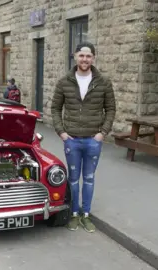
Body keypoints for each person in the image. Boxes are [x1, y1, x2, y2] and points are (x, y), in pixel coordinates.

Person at [51, 41, 116, 233]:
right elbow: (55, 108)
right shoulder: (64, 82)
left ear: (93, 58)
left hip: (92, 140)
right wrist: (62, 132)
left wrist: (102, 133)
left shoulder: (103, 82)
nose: (85, 59)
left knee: (88, 178)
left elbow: (111, 109)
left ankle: (85, 215)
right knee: (73, 179)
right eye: (81, 55)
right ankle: (73, 214)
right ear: (75, 57)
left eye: (88, 56)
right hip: (71, 139)